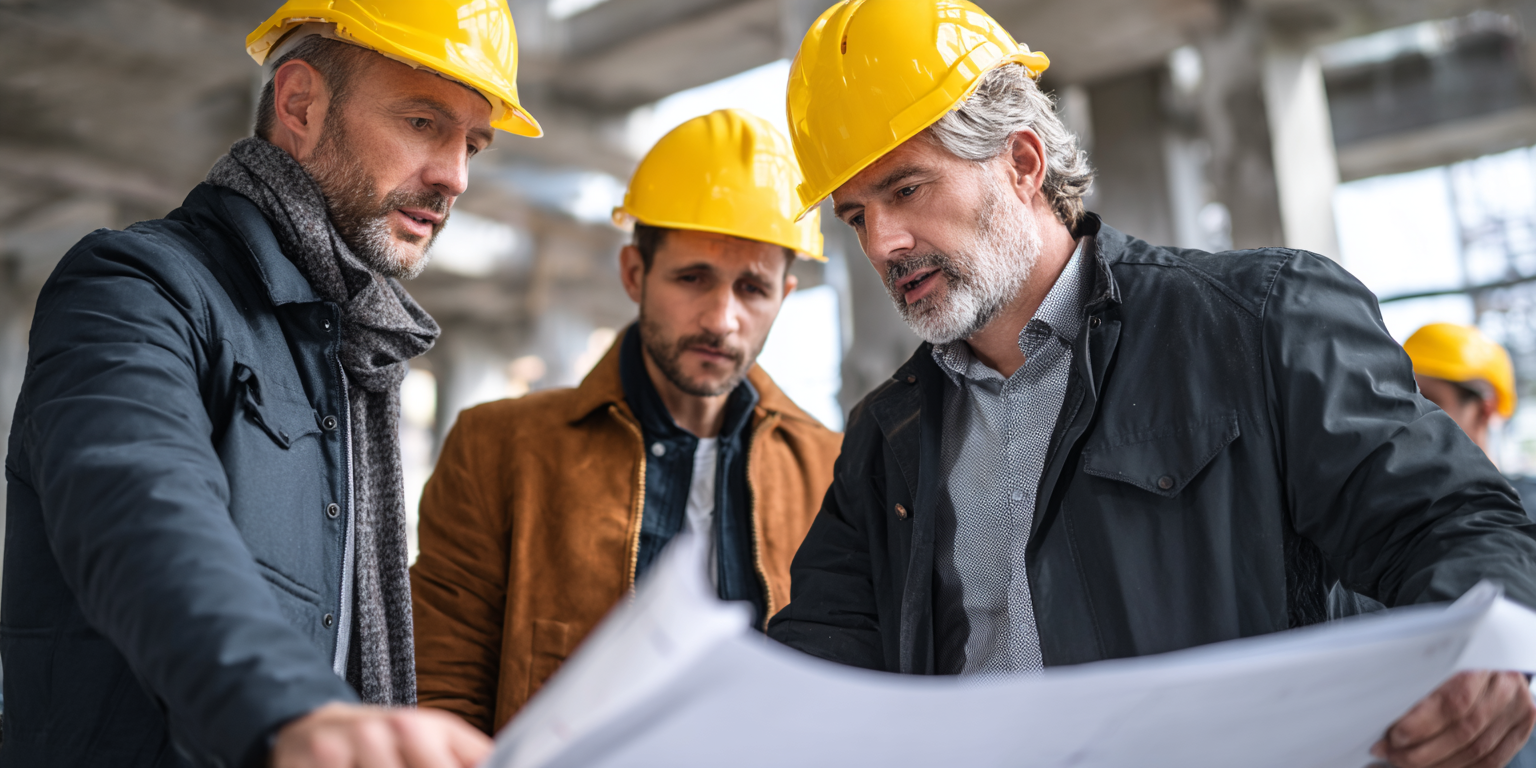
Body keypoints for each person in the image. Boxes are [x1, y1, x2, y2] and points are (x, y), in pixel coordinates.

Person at [765, 1, 1536, 767]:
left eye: (906, 190)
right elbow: (822, 662)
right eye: (856, 216)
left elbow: (1451, 521)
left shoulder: (1257, 322)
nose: (884, 242)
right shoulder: (885, 435)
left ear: (1023, 163)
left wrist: (1487, 645)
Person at [0, 1, 541, 765]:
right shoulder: (137, 286)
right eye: (423, 122)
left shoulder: (355, 352)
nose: (453, 175)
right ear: (300, 104)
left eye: (473, 145)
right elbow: (140, 507)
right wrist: (290, 709)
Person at [410, 109, 843, 735]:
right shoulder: (498, 448)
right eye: (693, 278)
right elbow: (439, 690)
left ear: (785, 297)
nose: (722, 320)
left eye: (752, 289)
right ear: (634, 274)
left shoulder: (833, 472)